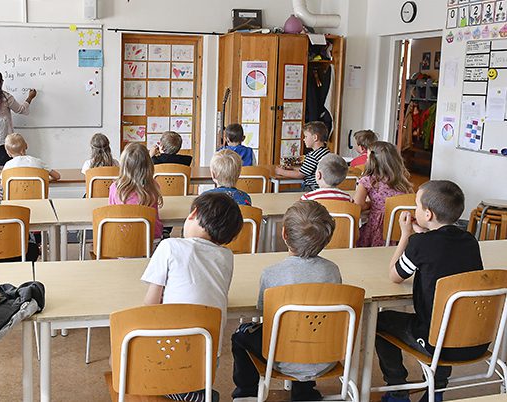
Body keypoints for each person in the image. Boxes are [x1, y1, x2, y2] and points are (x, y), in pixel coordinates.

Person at [377, 181, 485, 402]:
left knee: (380, 321)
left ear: (428, 214)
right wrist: (419, 235)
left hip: (438, 343)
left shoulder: (419, 244)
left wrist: (406, 235)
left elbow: (394, 275)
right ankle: (436, 391)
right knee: (449, 319)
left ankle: (397, 389)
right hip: (475, 339)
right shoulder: (470, 241)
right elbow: (441, 247)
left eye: (417, 204)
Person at [231, 200, 340, 402]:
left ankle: (246, 393)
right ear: (327, 238)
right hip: (326, 357)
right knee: (309, 326)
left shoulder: (271, 274)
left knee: (241, 335)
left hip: (282, 358)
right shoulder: (332, 271)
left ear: (284, 235)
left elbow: (265, 315)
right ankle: (304, 391)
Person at [141, 192, 244, 402]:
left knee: (120, 358)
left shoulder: (169, 246)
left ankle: (188, 394)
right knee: (191, 365)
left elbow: (150, 306)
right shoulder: (226, 256)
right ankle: (196, 390)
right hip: (208, 357)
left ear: (193, 213)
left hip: (168, 351)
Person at [354, 141, 413, 247]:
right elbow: (411, 202)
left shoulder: (368, 180)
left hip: (376, 226)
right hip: (399, 227)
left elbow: (358, 205)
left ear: (372, 161)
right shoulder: (403, 181)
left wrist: (371, 204)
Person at [109, 143, 164, 241]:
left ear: (123, 165)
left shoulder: (115, 188)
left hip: (122, 239)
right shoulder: (153, 186)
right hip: (150, 238)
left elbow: (112, 214)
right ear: (149, 164)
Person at [274, 121, 331, 191]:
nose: (304, 139)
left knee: (283, 193)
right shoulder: (326, 152)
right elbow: (309, 170)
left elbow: (300, 174)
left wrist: (280, 172)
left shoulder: (313, 156)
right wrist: (292, 169)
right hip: (322, 189)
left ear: (315, 137)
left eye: (306, 136)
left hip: (311, 189)